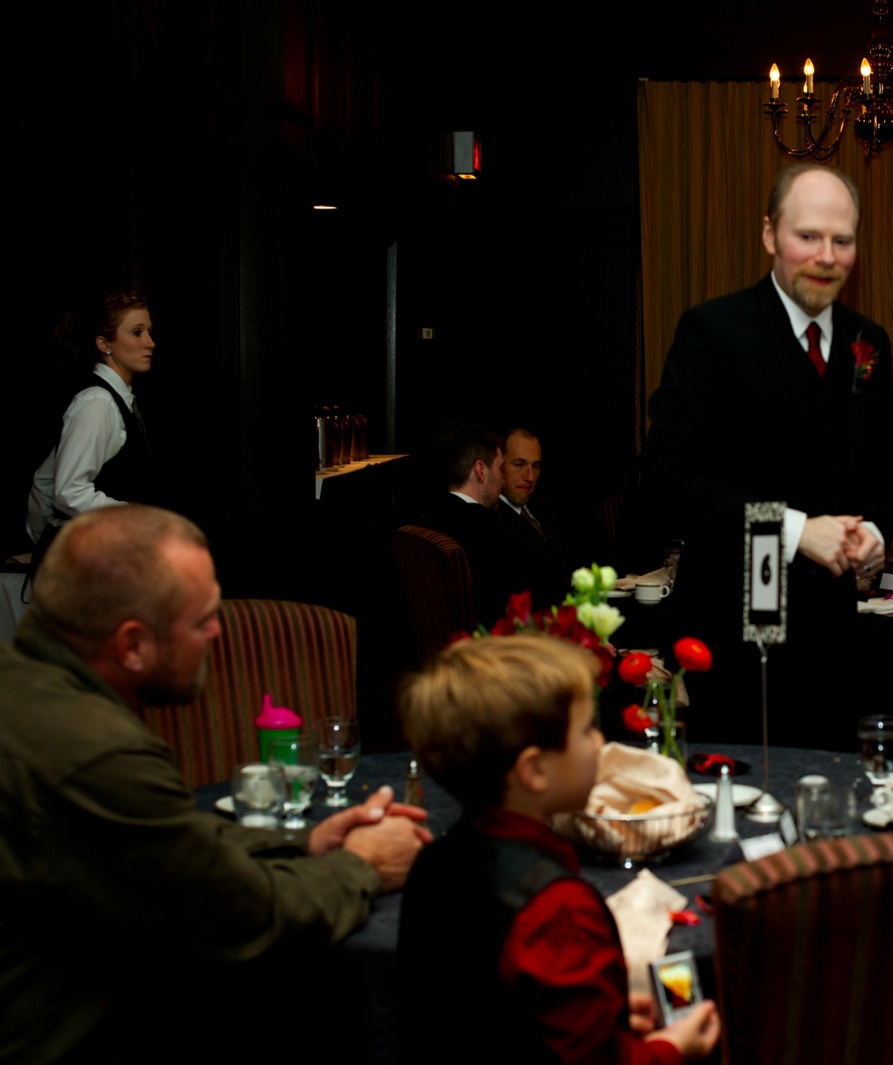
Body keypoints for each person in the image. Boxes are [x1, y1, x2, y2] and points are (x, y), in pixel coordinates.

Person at [0, 505, 429, 1062]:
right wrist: (362, 866)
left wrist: (305, 842)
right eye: (201, 618)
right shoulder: (97, 751)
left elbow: (159, 844)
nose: (218, 631)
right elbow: (243, 917)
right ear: (131, 645)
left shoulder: (25, 682)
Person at [641, 164, 893, 740]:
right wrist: (795, 531)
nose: (826, 255)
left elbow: (882, 474)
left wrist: (875, 533)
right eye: (807, 236)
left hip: (832, 627)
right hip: (733, 618)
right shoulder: (714, 331)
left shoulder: (867, 343)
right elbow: (668, 479)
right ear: (768, 236)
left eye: (843, 240)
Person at [397, 634, 721, 1063]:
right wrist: (672, 1049)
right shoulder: (558, 911)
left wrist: (607, 1019)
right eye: (586, 728)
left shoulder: (432, 862)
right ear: (534, 771)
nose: (600, 742)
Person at [25, 291, 159, 551]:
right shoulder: (98, 403)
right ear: (104, 344)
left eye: (149, 331)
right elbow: (68, 492)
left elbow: (45, 479)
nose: (150, 342)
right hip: (87, 556)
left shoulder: (118, 399)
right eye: (137, 332)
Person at [420, 421, 561, 625]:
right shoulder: (490, 531)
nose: (502, 480)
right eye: (499, 467)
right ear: (481, 471)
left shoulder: (429, 519)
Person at [496, 427, 577, 603]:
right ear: (498, 465)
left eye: (536, 466)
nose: (530, 476)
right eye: (519, 464)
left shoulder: (545, 508)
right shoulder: (492, 517)